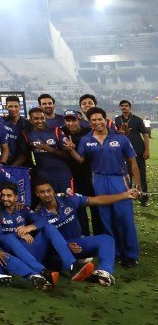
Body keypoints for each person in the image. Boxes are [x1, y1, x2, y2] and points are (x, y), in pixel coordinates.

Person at [65, 107, 141, 267]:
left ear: (105, 120)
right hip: (98, 179)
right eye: (93, 120)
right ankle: (115, 252)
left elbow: (133, 162)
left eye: (100, 119)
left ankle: (131, 254)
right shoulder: (86, 139)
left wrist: (138, 184)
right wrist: (71, 150)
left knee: (124, 218)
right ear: (90, 122)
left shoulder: (120, 138)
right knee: (106, 218)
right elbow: (80, 160)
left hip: (119, 179)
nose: (97, 122)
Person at [33, 179, 140, 286]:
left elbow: (98, 200)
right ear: (37, 194)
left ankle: (104, 273)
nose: (47, 194)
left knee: (106, 239)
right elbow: (44, 242)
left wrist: (125, 195)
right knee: (51, 262)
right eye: (42, 192)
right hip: (59, 252)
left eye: (48, 191)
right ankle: (71, 268)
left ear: (53, 191)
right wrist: (66, 246)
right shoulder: (37, 215)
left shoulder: (68, 199)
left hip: (79, 243)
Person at [0, 182, 95, 287]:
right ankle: (42, 272)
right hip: (16, 255)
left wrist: (29, 227)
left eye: (9, 196)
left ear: (16, 197)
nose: (5, 198)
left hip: (31, 250)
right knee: (9, 238)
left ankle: (73, 266)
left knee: (49, 227)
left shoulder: (22, 209)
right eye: (3, 195)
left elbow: (43, 221)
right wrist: (19, 234)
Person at [60, 110, 98, 235]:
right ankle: (84, 235)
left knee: (96, 206)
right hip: (72, 176)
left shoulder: (88, 131)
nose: (71, 123)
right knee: (79, 208)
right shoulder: (61, 132)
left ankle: (99, 234)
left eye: (73, 120)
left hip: (90, 173)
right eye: (68, 120)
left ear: (79, 120)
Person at [22, 107, 73, 193]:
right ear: (30, 120)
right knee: (49, 199)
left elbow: (68, 155)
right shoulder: (27, 134)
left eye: (42, 118)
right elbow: (26, 155)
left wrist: (49, 149)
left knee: (67, 199)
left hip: (62, 173)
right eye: (36, 119)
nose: (40, 121)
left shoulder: (56, 131)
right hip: (43, 175)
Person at [115, 100, 150, 205]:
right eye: (122, 106)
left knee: (141, 175)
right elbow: (116, 135)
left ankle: (143, 198)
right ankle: (128, 197)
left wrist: (147, 150)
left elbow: (145, 135)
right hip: (124, 152)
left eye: (126, 106)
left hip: (138, 151)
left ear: (130, 107)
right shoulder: (117, 120)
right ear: (120, 107)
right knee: (127, 175)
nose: (124, 107)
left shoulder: (137, 120)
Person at [3, 96, 28, 164]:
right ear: (6, 107)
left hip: (25, 164)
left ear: (20, 107)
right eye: (10, 106)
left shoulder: (27, 124)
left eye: (16, 106)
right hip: (5, 162)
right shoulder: (1, 122)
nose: (13, 109)